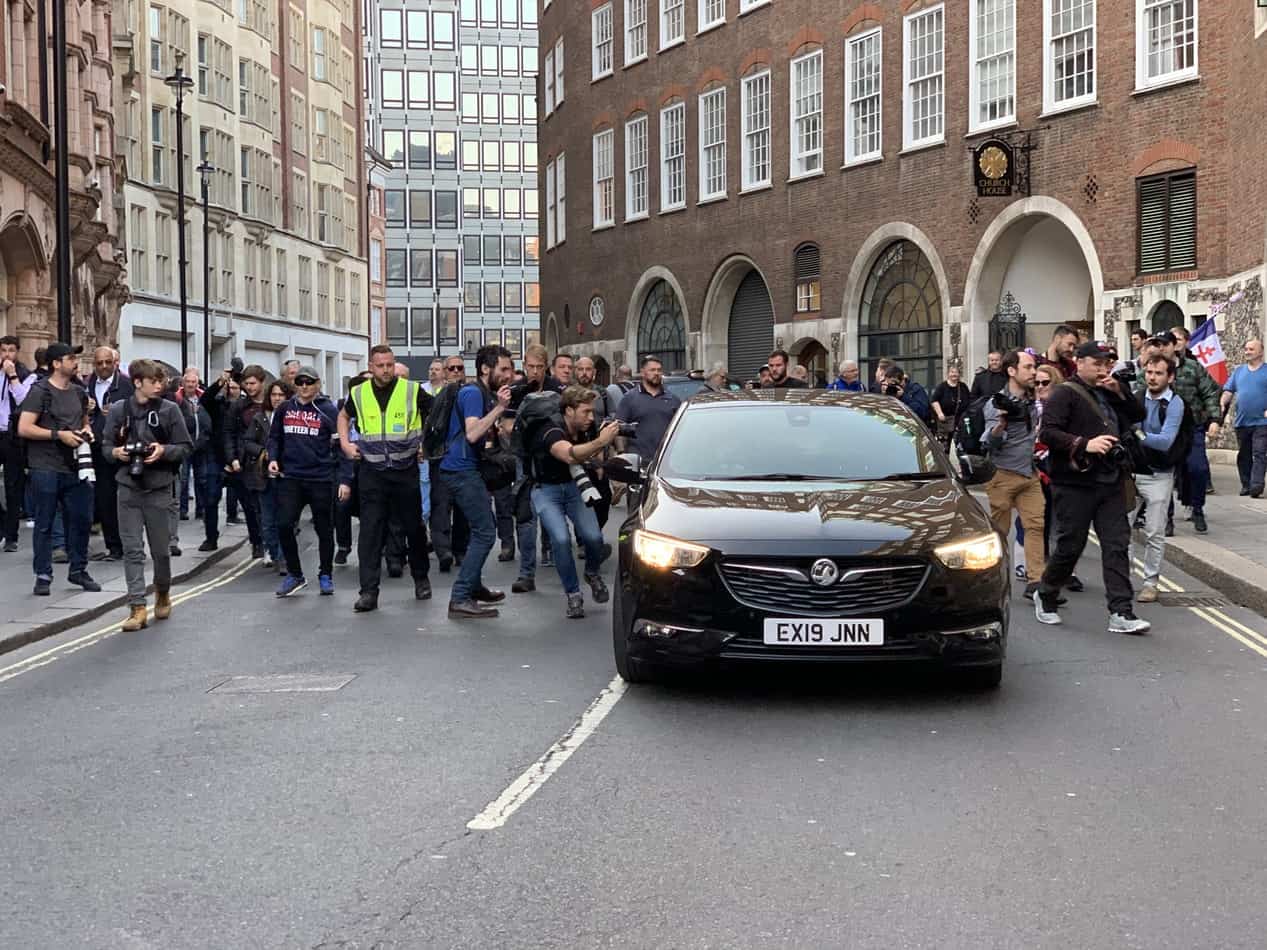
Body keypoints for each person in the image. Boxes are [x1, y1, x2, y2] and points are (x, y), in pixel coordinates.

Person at [1034, 341, 1149, 634]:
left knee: (1117, 544)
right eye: (1096, 364)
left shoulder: (1111, 391)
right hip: (1075, 483)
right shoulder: (1064, 393)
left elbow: (1138, 415)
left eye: (1106, 364)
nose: (1102, 369)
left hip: (1109, 480)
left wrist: (1119, 392)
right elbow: (1048, 432)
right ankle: (1045, 593)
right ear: (1079, 362)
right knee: (1071, 545)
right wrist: (1086, 444)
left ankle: (1121, 612)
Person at [338, 345, 433, 612]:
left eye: (390, 365)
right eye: (380, 365)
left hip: (404, 469)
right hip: (372, 471)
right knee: (370, 532)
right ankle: (368, 592)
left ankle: (421, 578)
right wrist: (346, 444)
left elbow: (435, 415)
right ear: (371, 367)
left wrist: (428, 443)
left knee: (413, 528)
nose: (386, 370)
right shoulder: (358, 393)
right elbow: (343, 417)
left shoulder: (411, 390)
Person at [101, 360, 192, 630]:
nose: (159, 385)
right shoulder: (119, 410)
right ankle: (137, 607)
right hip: (128, 488)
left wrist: (163, 451)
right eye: (153, 381)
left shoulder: (170, 410)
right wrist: (116, 452)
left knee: (161, 552)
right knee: (132, 550)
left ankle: (162, 591)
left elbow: (186, 447)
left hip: (159, 489)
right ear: (138, 382)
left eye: (161, 381)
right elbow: (105, 446)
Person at [16, 342, 100, 596]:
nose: (75, 362)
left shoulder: (78, 392)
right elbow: (24, 427)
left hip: (75, 466)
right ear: (56, 364)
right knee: (45, 522)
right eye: (70, 358)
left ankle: (78, 570)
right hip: (45, 465)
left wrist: (87, 433)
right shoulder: (39, 391)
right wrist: (58, 435)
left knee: (82, 520)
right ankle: (43, 575)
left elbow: (84, 423)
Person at [438, 344, 514, 619]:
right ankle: (460, 596)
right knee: (484, 531)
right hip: (460, 471)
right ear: (485, 368)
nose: (509, 375)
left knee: (478, 530)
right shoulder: (472, 393)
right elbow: (472, 434)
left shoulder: (482, 393)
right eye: (504, 369)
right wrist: (500, 409)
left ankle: (473, 586)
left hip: (465, 469)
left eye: (511, 369)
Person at [530, 387, 618, 618]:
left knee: (594, 537)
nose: (591, 417)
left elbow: (592, 456)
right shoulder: (550, 428)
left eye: (593, 412)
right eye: (586, 412)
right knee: (560, 539)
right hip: (546, 490)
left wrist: (601, 462)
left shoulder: (586, 429)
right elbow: (569, 454)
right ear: (569, 410)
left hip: (573, 487)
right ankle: (573, 594)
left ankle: (592, 573)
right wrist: (601, 441)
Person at [982, 350, 1046, 600]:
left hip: (1029, 474)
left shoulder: (1033, 398)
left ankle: (1036, 582)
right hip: (1002, 475)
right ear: (1012, 371)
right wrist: (1000, 426)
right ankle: (996, 579)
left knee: (1036, 526)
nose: (1033, 372)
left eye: (1034, 367)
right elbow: (989, 442)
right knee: (999, 532)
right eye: (1028, 367)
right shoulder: (995, 403)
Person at [268, 367, 338, 596]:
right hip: (292, 477)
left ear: (318, 384)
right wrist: (273, 459)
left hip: (320, 478)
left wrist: (341, 475)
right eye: (300, 382)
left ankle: (325, 574)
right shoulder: (285, 409)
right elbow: (275, 437)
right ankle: (295, 574)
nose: (304, 386)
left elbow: (339, 444)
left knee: (324, 529)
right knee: (284, 525)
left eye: (309, 382)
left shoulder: (328, 410)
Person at [1132, 354, 1188, 603]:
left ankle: (1150, 583)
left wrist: (1137, 433)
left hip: (1159, 475)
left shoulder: (1175, 403)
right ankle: (1122, 579)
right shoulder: (1136, 398)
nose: (1152, 377)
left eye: (1158, 373)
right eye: (1149, 372)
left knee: (1154, 532)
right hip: (1132, 472)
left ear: (1170, 377)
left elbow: (1165, 442)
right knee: (1122, 530)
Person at [1162, 329, 1222, 533]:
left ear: (1174, 346)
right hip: (1164, 431)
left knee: (1198, 469)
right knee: (1166, 475)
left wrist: (1214, 419)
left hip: (1192, 428)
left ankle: (1197, 508)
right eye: (1159, 344)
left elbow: (1210, 392)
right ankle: (1167, 518)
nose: (1162, 348)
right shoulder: (1153, 370)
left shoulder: (1193, 368)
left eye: (1166, 344)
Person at [84, 346, 133, 561]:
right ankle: (114, 547)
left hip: (122, 449)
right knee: (104, 499)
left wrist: (119, 414)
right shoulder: (88, 384)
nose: (103, 366)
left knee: (124, 500)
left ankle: (129, 544)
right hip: (98, 449)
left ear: (115, 363)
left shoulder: (126, 385)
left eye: (107, 362)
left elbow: (137, 411)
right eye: (99, 363)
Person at [224, 365, 270, 558]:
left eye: (253, 383)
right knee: (251, 506)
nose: (249, 387)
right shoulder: (239, 406)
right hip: (245, 462)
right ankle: (257, 541)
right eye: (246, 384)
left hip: (268, 460)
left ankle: (271, 543)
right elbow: (228, 433)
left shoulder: (272, 403)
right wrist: (232, 458)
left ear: (262, 382)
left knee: (269, 505)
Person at [429, 355, 471, 572]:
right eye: (451, 368)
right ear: (444, 371)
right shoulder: (433, 396)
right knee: (440, 507)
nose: (456, 371)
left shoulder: (471, 394)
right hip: (441, 460)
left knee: (463, 508)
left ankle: (460, 550)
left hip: (465, 460)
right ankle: (443, 550)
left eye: (459, 368)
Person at [0, 334, 34, 552]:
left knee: (13, 486)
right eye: (3, 350)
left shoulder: (26, 375)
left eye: (11, 350)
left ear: (18, 352)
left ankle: (11, 535)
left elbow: (24, 401)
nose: (7, 355)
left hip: (12, 437)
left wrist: (12, 376)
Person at [1221, 339, 1267, 498]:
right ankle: (1246, 484)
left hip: (1262, 421)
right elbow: (1228, 390)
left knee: (1259, 452)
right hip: (1242, 421)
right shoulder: (1239, 371)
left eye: (1251, 349)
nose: (1247, 352)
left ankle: (1257, 485)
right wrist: (1222, 402)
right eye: (1246, 349)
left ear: (1261, 352)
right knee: (1244, 454)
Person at [615, 355, 682, 464]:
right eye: (652, 370)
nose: (656, 373)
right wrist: (621, 455)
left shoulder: (673, 400)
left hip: (665, 462)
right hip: (638, 462)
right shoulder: (629, 398)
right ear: (642, 372)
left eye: (659, 370)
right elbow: (618, 428)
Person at [256, 380, 293, 569]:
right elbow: (247, 441)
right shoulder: (260, 417)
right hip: (265, 476)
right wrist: (263, 451)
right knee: (268, 521)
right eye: (274, 395)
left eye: (281, 395)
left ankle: (283, 556)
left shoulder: (293, 415)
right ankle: (275, 551)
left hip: (287, 475)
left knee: (285, 519)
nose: (277, 398)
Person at [930, 365, 971, 449]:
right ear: (948, 374)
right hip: (945, 421)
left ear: (959, 374)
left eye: (956, 372)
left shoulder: (963, 387)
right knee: (944, 447)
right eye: (952, 372)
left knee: (961, 446)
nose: (954, 374)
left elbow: (969, 401)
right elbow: (934, 400)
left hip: (960, 421)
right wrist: (939, 413)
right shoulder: (942, 386)